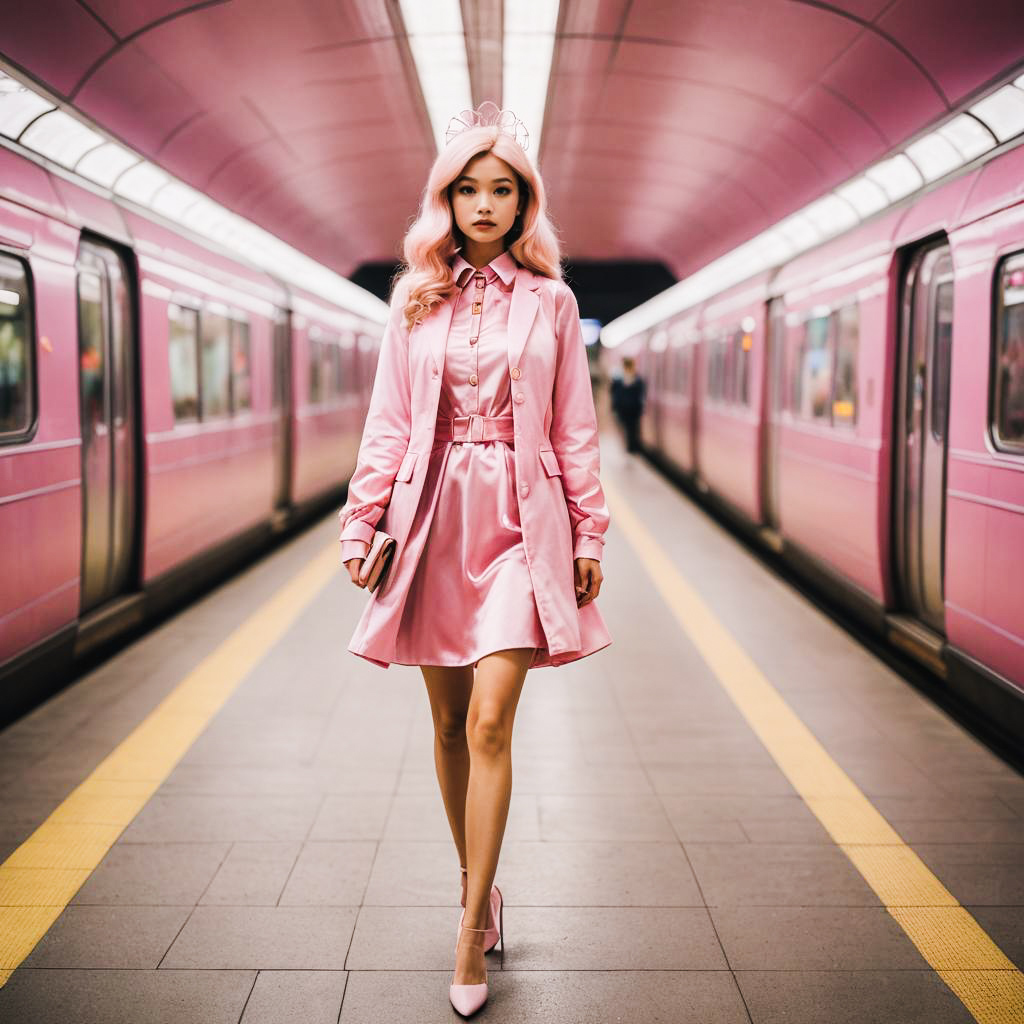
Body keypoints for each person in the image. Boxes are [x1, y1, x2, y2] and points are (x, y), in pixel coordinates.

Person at [335, 100, 612, 1016]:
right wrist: (361, 521)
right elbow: (388, 425)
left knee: (492, 721)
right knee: (449, 728)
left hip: (521, 525)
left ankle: (467, 932)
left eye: (502, 190)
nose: (484, 205)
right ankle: (481, 882)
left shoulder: (555, 303)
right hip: (431, 521)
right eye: (468, 189)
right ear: (444, 198)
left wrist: (589, 531)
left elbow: (576, 428)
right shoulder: (415, 299)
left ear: (524, 202)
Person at [610, 356, 646, 452]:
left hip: (632, 409)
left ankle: (631, 447)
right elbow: (614, 393)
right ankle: (630, 447)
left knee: (632, 428)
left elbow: (615, 394)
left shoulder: (636, 380)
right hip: (626, 409)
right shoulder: (620, 380)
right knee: (629, 428)